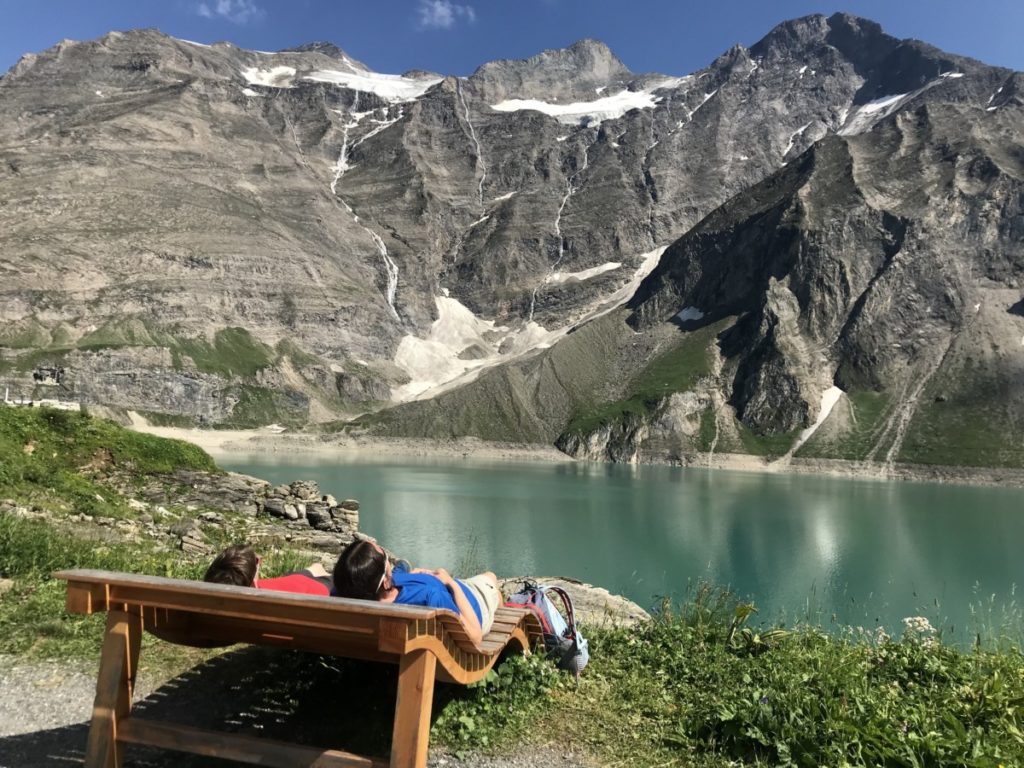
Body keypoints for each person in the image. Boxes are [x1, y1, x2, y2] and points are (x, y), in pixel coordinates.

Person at [332, 539, 500, 646]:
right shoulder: (430, 599)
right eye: (384, 554)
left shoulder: (347, 593)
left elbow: (395, 579)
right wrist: (450, 582)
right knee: (491, 578)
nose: (387, 556)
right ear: (385, 581)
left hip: (447, 588)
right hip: (474, 603)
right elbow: (475, 636)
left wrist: (412, 575)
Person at [204, 544, 332, 596]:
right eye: (257, 561)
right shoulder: (317, 591)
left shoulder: (206, 598)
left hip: (293, 580)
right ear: (252, 579)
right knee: (320, 569)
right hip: (309, 585)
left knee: (316, 567)